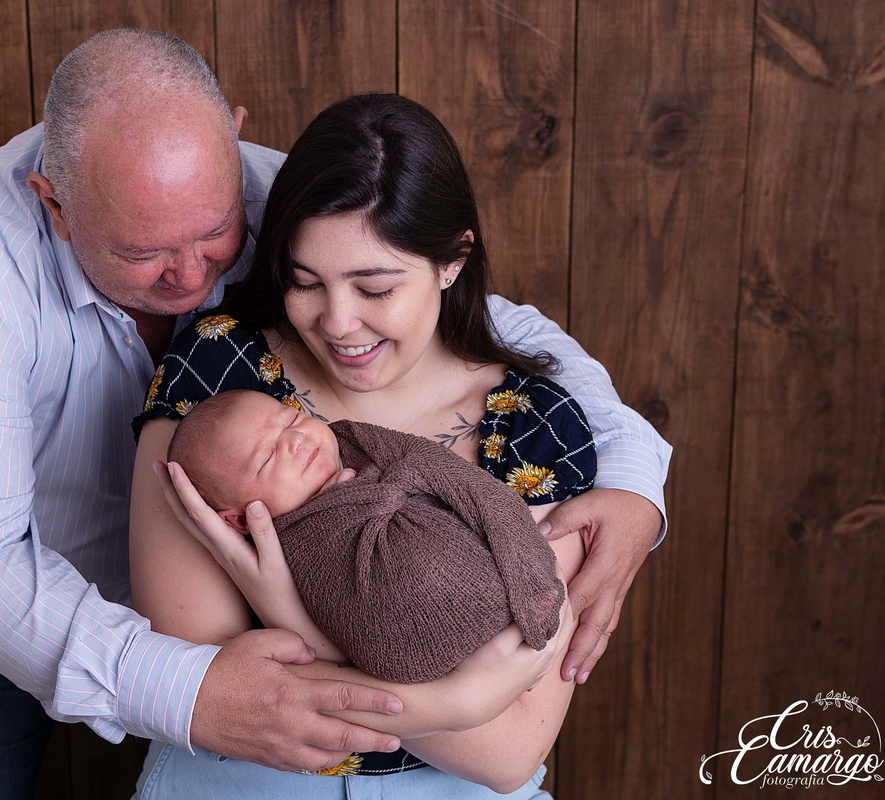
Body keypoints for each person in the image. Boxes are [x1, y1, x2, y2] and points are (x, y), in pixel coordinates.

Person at [0, 25, 668, 799]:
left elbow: (483, 323)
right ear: (54, 204)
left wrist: (636, 481)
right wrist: (198, 690)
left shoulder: (286, 200)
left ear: (234, 136)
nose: (192, 278)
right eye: (141, 252)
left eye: (219, 232)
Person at [128, 93, 667, 798]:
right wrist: (459, 701)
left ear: (452, 261)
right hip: (242, 780)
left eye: (376, 288)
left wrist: (292, 617)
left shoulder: (534, 426)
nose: (338, 322)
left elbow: (507, 751)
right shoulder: (220, 378)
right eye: (305, 283)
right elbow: (217, 685)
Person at [165, 388, 588, 681]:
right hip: (419, 654)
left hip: (507, 601)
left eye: (291, 419)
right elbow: (346, 617)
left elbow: (454, 476)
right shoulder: (290, 548)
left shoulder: (358, 442)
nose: (295, 440)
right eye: (267, 457)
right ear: (240, 521)